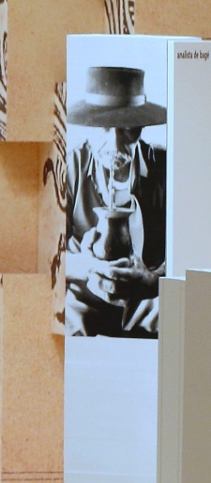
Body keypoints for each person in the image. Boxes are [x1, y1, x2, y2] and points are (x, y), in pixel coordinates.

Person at [64, 65, 166, 338]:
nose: (116, 143)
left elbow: (191, 255)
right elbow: (45, 258)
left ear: (142, 125)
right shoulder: (67, 168)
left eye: (128, 129)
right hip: (85, 298)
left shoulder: (166, 167)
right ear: (88, 126)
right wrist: (88, 266)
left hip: (147, 299)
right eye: (104, 128)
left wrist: (150, 279)